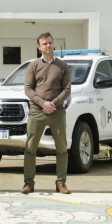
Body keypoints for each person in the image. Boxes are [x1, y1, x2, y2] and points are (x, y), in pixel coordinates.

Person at [22, 32, 72, 194]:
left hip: (57, 112)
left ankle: (61, 183)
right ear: (39, 47)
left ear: (53, 44)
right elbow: (28, 89)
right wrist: (42, 103)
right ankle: (29, 183)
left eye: (50, 43)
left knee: (62, 148)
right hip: (37, 111)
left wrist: (53, 103)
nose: (48, 46)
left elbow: (67, 89)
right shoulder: (33, 65)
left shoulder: (62, 66)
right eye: (44, 44)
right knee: (30, 147)